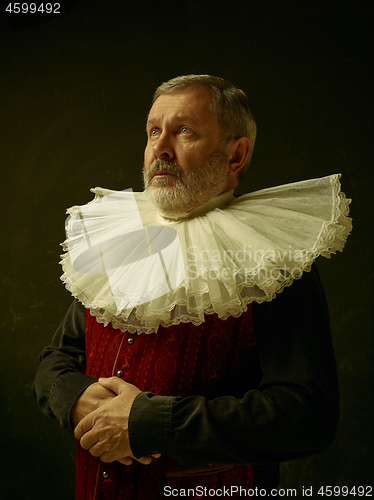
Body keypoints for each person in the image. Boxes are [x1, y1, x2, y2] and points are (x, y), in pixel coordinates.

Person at [33, 75, 352, 500]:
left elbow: (307, 415)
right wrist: (75, 397)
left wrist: (148, 422)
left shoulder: (273, 261)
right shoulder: (116, 242)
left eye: (183, 131)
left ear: (236, 154)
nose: (160, 149)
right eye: (153, 131)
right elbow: (57, 359)